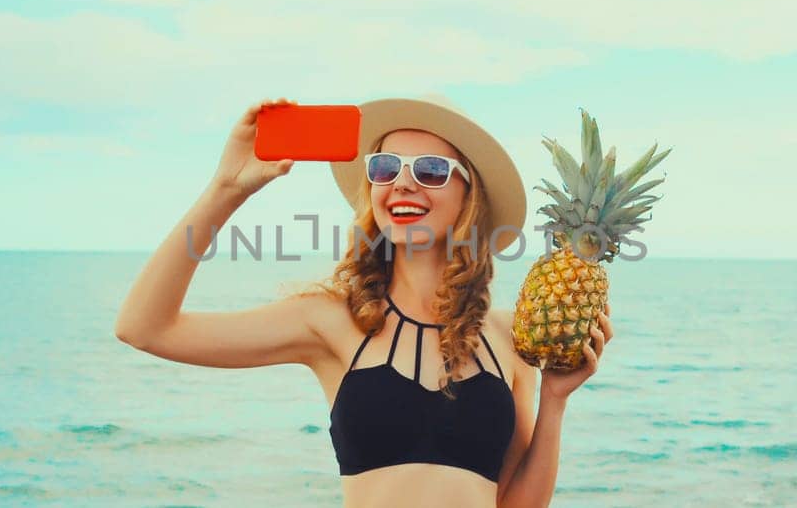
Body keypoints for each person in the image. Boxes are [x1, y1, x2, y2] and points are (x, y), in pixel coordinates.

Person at [114, 94, 614, 507]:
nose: (402, 181)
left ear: (470, 195)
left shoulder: (509, 339)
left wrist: (554, 402)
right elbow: (144, 327)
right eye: (385, 166)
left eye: (432, 169)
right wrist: (225, 190)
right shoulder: (331, 320)